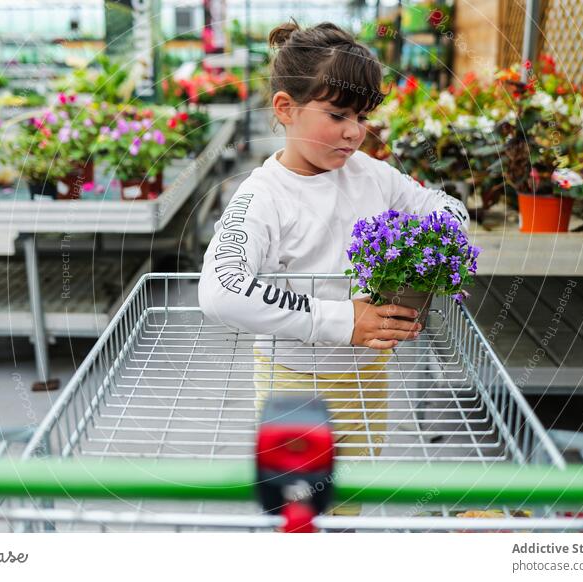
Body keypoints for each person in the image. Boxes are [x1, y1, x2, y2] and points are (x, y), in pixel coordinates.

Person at [198, 21, 469, 517]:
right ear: (286, 108)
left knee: (349, 503)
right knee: (301, 510)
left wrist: (437, 243)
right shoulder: (262, 196)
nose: (354, 131)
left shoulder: (372, 174)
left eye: (362, 116)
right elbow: (222, 289)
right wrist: (346, 320)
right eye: (338, 113)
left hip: (368, 375)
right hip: (293, 381)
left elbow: (442, 205)